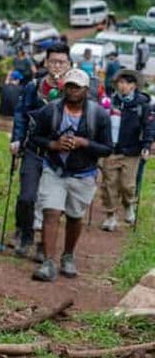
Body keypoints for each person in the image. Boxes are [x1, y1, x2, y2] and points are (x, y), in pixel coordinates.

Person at [28, 68, 112, 282]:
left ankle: (68, 255)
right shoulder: (50, 110)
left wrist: (84, 143)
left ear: (86, 90)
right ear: (64, 88)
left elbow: (107, 148)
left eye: (77, 87)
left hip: (83, 174)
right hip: (54, 169)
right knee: (51, 212)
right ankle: (48, 262)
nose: (73, 91)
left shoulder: (99, 115)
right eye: (69, 86)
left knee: (75, 217)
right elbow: (35, 137)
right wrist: (53, 145)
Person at [9, 43, 71, 258]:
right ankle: (25, 233)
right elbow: (21, 114)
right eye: (53, 62)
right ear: (46, 62)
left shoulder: (73, 90)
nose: (57, 66)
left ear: (69, 64)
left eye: (61, 62)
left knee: (51, 202)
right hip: (33, 150)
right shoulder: (34, 87)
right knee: (27, 197)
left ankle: (44, 243)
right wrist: (17, 138)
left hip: (59, 156)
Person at [100, 69, 153, 231]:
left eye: (127, 83)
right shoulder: (109, 102)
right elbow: (101, 122)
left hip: (132, 152)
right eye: (120, 82)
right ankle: (110, 216)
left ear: (134, 86)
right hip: (111, 150)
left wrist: (146, 146)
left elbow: (149, 127)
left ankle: (129, 204)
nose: (123, 86)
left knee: (127, 185)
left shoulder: (143, 105)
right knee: (109, 184)